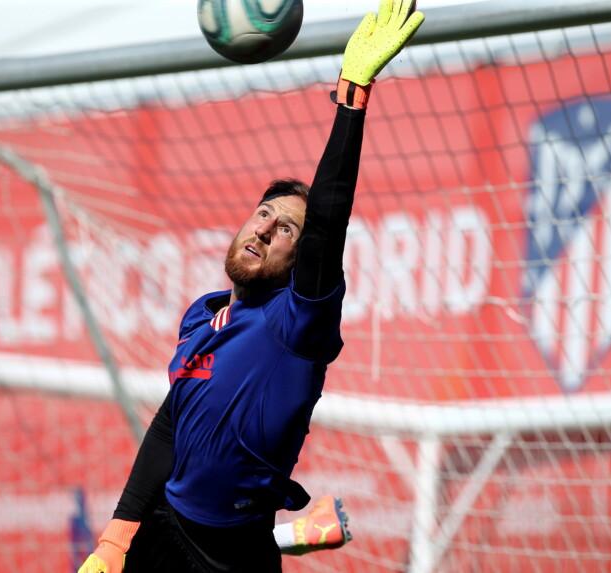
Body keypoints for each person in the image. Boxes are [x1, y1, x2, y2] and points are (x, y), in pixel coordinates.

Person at [79, 1, 424, 571]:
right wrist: (116, 539)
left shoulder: (296, 325)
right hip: (163, 530)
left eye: (285, 227)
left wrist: (352, 95)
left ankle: (276, 542)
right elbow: (171, 423)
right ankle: (287, 537)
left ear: (299, 258)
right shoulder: (200, 317)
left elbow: (329, 222)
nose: (264, 227)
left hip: (233, 558)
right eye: (262, 213)